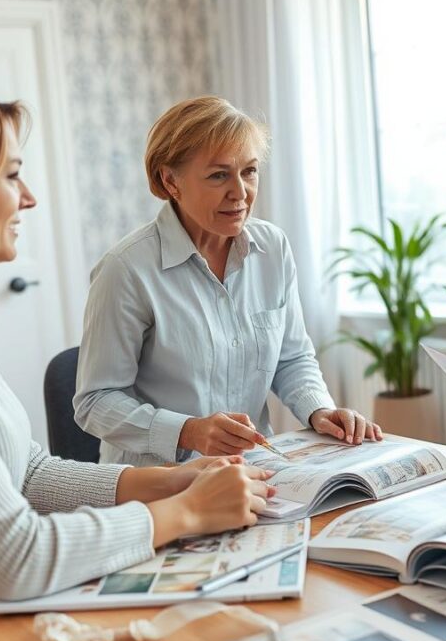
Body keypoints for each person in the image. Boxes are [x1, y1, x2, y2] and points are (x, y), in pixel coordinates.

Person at [0, 75, 274, 641]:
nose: (29, 197)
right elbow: (15, 559)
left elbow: (27, 472)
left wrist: (164, 480)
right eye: (12, 175)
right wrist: (187, 514)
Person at [74, 96, 380, 466]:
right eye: (219, 175)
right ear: (171, 181)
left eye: (249, 171)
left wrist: (319, 410)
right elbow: (95, 402)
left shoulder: (273, 248)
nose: (240, 193)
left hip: (254, 471)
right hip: (160, 484)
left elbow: (292, 358)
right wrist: (189, 431)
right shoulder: (125, 270)